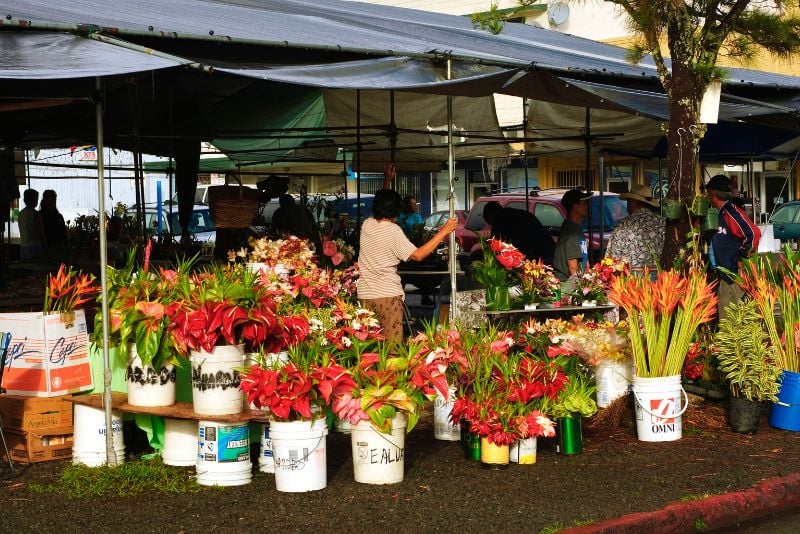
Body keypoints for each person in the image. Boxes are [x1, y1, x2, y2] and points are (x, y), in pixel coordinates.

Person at [357, 171, 458, 344]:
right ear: (396, 210)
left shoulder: (368, 225)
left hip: (365, 295)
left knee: (369, 347)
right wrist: (444, 231)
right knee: (391, 347)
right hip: (387, 296)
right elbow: (418, 255)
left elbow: (383, 201)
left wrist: (387, 180)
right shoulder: (394, 232)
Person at [705, 174, 761, 321]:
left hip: (734, 276)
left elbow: (753, 233)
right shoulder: (722, 213)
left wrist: (742, 257)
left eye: (708, 194)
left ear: (713, 194)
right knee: (729, 321)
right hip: (726, 275)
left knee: (735, 322)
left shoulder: (731, 211)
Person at [605, 183, 665, 273]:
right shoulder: (662, 222)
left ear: (634, 202)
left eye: (629, 202)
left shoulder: (623, 223)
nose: (627, 206)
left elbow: (613, 256)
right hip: (659, 278)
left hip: (630, 277)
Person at [482, 201, 555, 263]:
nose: (489, 224)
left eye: (488, 221)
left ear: (490, 215)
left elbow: (496, 246)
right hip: (549, 251)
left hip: (538, 256)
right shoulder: (519, 214)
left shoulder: (499, 220)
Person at [553, 188, 592, 282]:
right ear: (575, 207)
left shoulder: (576, 227)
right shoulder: (571, 231)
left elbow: (585, 261)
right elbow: (573, 269)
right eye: (584, 203)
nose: (587, 206)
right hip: (567, 286)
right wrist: (582, 289)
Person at [18, 188, 45, 260]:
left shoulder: (20, 213)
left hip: (23, 246)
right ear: (33, 200)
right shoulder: (35, 213)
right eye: (36, 199)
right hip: (35, 246)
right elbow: (40, 231)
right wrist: (45, 245)